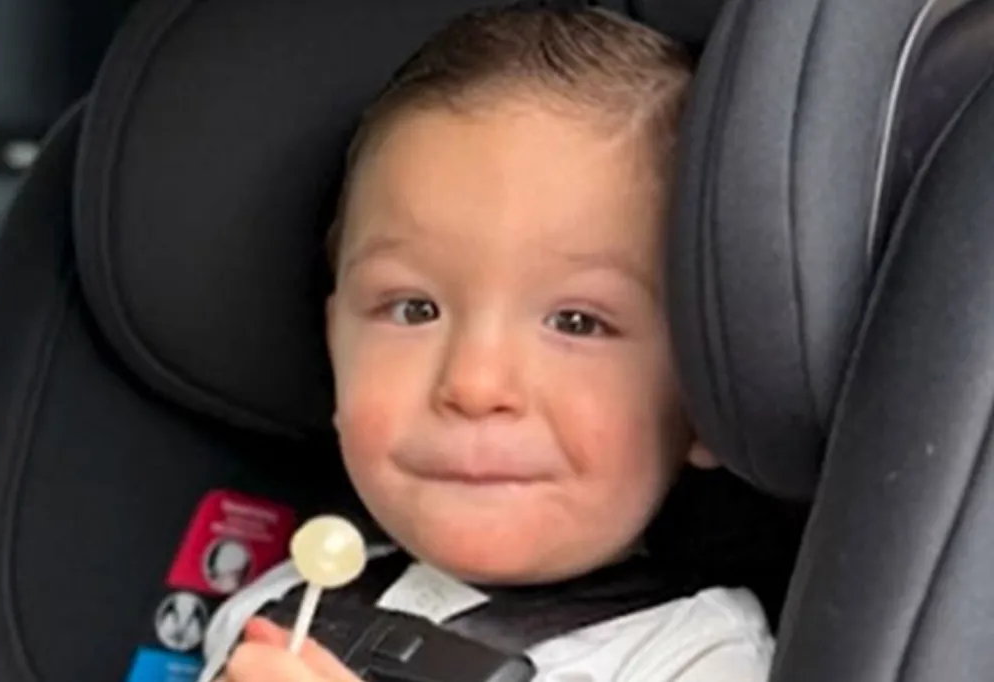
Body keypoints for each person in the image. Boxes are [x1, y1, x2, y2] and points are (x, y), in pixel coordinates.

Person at [205, 5, 774, 681]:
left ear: (704, 386)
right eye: (413, 309)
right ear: (337, 343)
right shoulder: (274, 608)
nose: (475, 384)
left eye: (577, 322)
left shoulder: (700, 655)